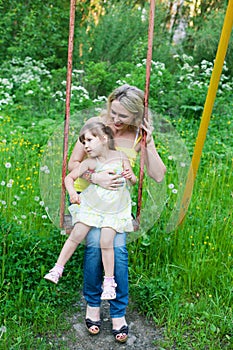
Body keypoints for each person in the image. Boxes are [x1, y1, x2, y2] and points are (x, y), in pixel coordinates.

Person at [68, 84, 166, 343]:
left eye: (123, 116)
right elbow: (73, 165)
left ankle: (118, 311)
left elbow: (157, 175)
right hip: (88, 202)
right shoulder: (95, 126)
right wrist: (95, 177)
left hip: (114, 207)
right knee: (93, 243)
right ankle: (92, 304)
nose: (115, 120)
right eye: (113, 112)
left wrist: (150, 142)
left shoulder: (137, 136)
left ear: (136, 115)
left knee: (117, 247)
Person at [44, 121, 137, 302]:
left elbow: (133, 180)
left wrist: (130, 177)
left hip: (115, 209)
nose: (85, 146)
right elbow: (69, 178)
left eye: (88, 141)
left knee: (106, 240)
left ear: (104, 139)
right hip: (93, 205)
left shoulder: (121, 158)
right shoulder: (89, 163)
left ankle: (109, 282)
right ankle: (57, 268)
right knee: (77, 234)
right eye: (83, 142)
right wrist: (72, 193)